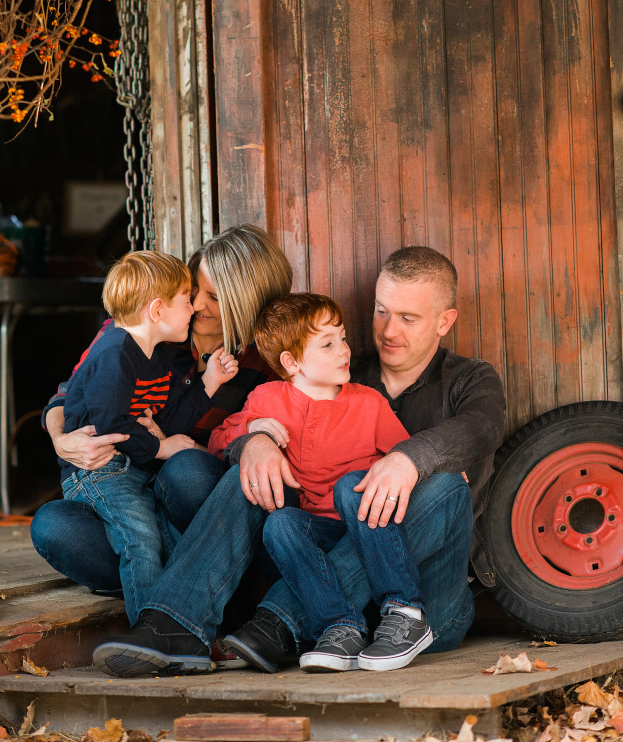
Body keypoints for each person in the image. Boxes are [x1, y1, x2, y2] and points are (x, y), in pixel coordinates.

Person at [90, 245, 505, 678]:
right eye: (382, 311)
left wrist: (409, 459)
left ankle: (276, 623)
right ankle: (176, 625)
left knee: (439, 488)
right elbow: (250, 420)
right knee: (250, 477)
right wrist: (257, 440)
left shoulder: (470, 379)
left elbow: (482, 427)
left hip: (424, 600)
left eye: (408, 318)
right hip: (317, 577)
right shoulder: (333, 369)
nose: (388, 330)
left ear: (444, 321)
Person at [30, 225, 293, 600]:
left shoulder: (263, 362)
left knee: (188, 471)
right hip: (122, 491)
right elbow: (67, 395)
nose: (198, 305)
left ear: (246, 302)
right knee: (52, 526)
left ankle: (176, 587)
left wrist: (190, 444)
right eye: (193, 291)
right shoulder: (141, 331)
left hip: (195, 507)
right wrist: (62, 440)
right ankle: (182, 590)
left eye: (214, 298)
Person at [210, 292, 433, 674]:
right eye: (328, 344)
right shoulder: (267, 397)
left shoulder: (368, 402)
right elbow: (218, 440)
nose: (344, 350)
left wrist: (435, 469)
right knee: (279, 523)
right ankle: (341, 627)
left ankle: (405, 610)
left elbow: (404, 456)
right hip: (316, 534)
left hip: (368, 525)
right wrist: (252, 429)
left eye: (342, 338)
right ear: (291, 361)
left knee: (351, 486)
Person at [59, 250, 238, 625]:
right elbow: (111, 423)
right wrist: (160, 447)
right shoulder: (114, 352)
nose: (193, 309)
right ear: (157, 310)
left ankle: (185, 622)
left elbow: (167, 418)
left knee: (167, 537)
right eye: (187, 300)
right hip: (98, 473)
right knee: (139, 540)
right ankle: (150, 631)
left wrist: (210, 382)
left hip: (129, 468)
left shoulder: (155, 356)